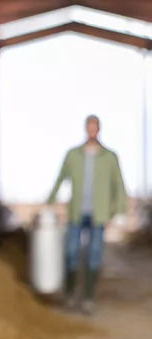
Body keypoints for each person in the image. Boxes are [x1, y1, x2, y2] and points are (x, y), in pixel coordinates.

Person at [47, 115, 127, 314]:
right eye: (89, 128)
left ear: (99, 130)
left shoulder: (109, 157)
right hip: (76, 212)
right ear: (85, 129)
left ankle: (89, 297)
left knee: (94, 255)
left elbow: (118, 183)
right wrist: (49, 201)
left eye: (95, 128)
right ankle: (70, 293)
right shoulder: (73, 155)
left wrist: (121, 210)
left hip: (99, 213)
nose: (92, 131)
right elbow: (60, 178)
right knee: (71, 252)